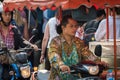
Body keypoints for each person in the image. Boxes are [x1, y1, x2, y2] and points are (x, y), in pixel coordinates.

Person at [48, 15, 108, 80]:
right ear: (63, 27)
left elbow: (87, 53)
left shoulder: (78, 42)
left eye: (76, 26)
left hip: (75, 76)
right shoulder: (56, 41)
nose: (74, 29)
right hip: (58, 77)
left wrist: (97, 61)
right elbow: (53, 54)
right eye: (71, 26)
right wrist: (61, 64)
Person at [0, 7, 38, 80]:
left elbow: (22, 40)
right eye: (5, 14)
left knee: (26, 71)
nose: (7, 16)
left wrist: (31, 45)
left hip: (12, 59)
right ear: (0, 16)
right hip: (1, 60)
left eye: (9, 14)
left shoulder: (14, 29)